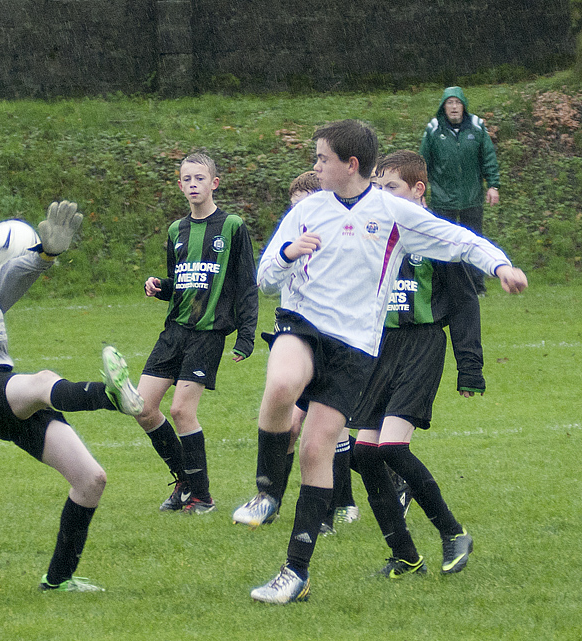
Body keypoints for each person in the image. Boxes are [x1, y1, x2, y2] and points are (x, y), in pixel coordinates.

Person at [246, 120, 527, 605]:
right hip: (301, 321)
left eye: (322, 159)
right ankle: (268, 490)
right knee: (282, 385)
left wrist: (500, 264)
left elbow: (456, 239)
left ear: (350, 164)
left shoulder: (392, 212)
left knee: (318, 452)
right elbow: (266, 278)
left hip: (356, 347)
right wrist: (289, 252)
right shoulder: (308, 209)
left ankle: (295, 573)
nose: (315, 167)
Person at [0, 159, 144, 592]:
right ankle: (112, 396)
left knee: (90, 479)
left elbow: (16, 273)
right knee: (43, 381)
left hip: (5, 391)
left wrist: (46, 251)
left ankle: (58, 581)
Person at [352, 149, 486, 579]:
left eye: (391, 188)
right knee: (364, 455)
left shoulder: (438, 237)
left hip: (422, 345)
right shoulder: (379, 235)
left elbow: (465, 304)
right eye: (378, 188)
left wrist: (470, 367)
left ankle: (452, 532)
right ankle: (405, 557)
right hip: (380, 350)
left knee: (391, 447)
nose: (382, 196)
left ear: (417, 189)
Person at [234, 170, 361, 534]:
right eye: (295, 208)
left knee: (326, 434)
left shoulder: (344, 235)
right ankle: (271, 498)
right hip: (297, 339)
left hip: (337, 346)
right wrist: (288, 254)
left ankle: (340, 504)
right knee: (290, 425)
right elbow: (267, 281)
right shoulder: (293, 236)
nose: (302, 217)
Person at [135, 152, 259, 515]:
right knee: (143, 407)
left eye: (199, 179)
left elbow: (245, 285)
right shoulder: (177, 230)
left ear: (214, 183)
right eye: (186, 179)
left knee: (180, 410)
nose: (193, 185)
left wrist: (246, 335)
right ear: (180, 185)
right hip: (174, 331)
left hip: (208, 334)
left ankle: (202, 496)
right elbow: (183, 284)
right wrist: (162, 287)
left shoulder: (232, 226)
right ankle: (184, 482)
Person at [419, 86, 501, 295]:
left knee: (474, 240)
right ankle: (442, 285)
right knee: (441, 241)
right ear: (443, 106)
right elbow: (423, 163)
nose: (454, 107)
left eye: (458, 103)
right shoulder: (434, 129)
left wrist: (493, 185)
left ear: (464, 106)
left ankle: (477, 286)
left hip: (471, 196)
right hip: (442, 198)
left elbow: (488, 157)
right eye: (450, 103)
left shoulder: (477, 126)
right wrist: (420, 192)